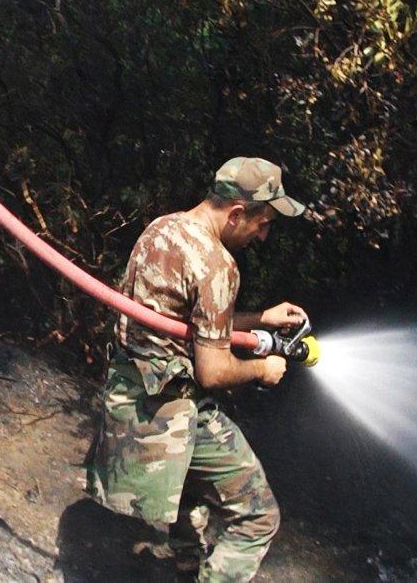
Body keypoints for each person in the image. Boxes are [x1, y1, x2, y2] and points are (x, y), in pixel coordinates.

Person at [87, 157, 309, 582]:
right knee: (259, 516)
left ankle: (187, 569)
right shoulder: (217, 264)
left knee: (193, 494)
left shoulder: (162, 228)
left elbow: (192, 321)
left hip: (133, 398)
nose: (263, 236)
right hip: (174, 409)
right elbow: (214, 370)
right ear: (237, 214)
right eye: (261, 224)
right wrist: (264, 369)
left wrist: (262, 317)